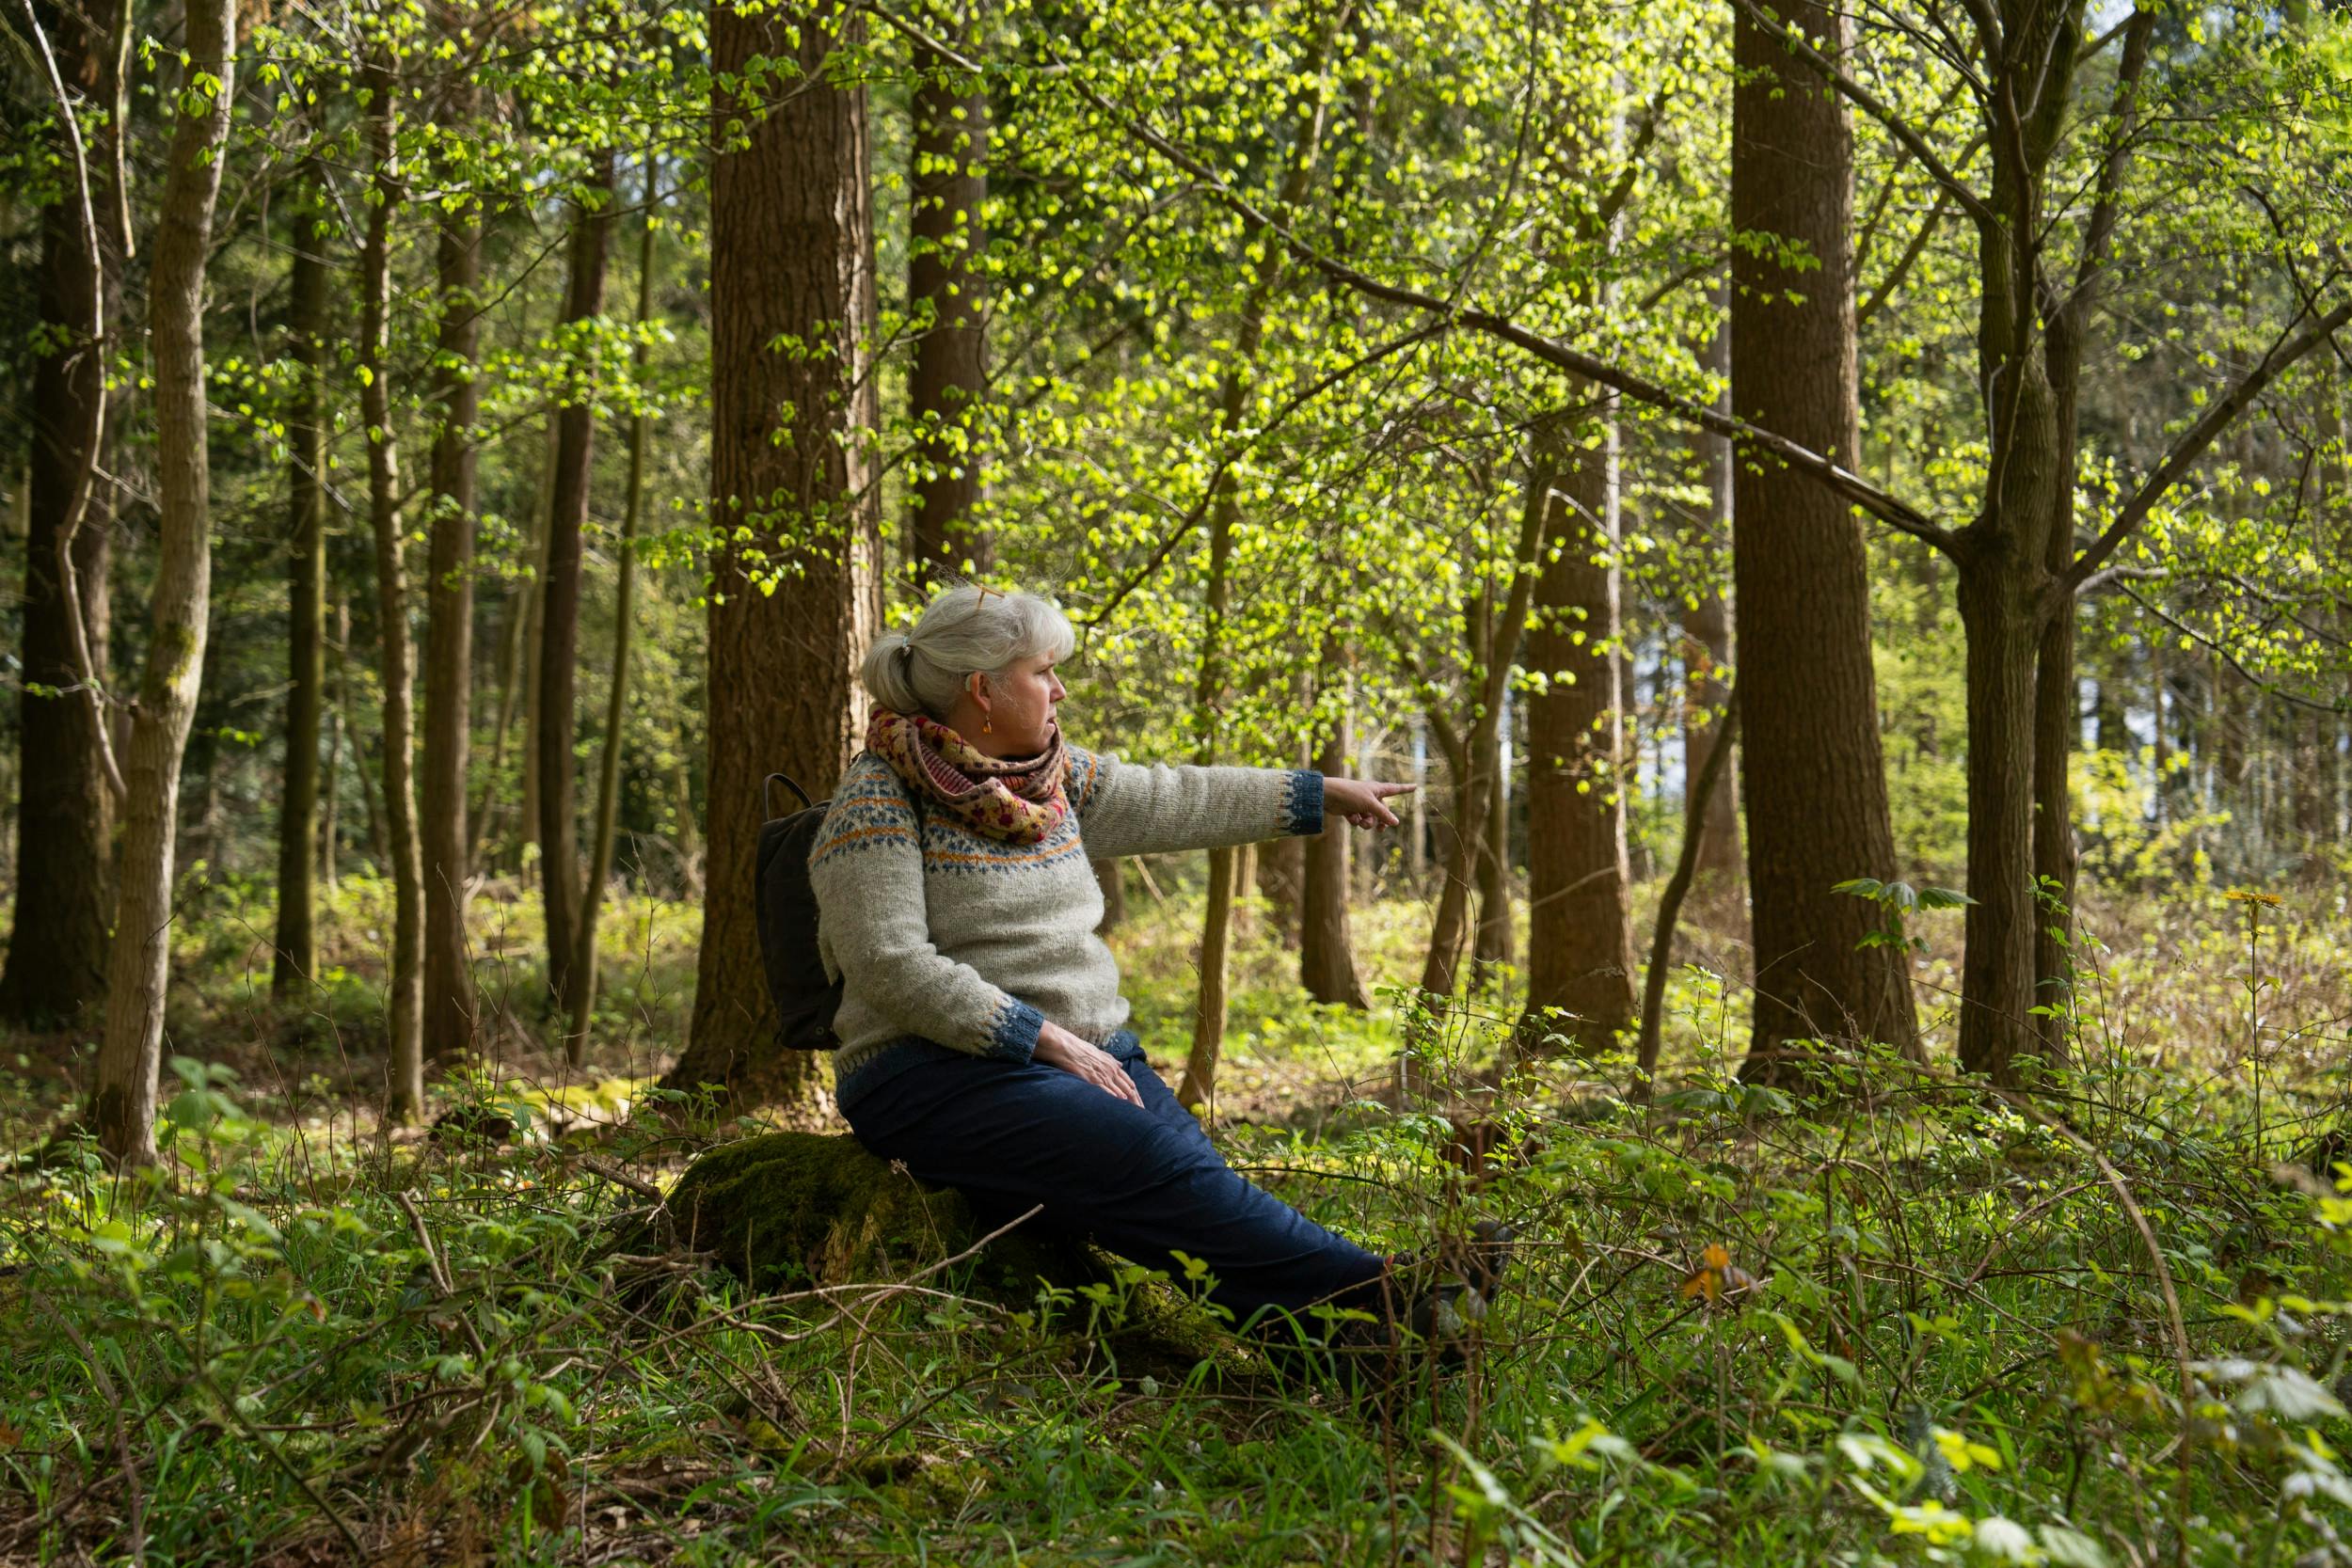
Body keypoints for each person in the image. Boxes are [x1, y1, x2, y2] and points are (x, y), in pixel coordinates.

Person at [810, 582, 1506, 1356]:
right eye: (1044, 670)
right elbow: (887, 962)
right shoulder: (878, 796)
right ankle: (1392, 1292)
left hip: (1080, 1057)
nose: (1060, 687)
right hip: (929, 1072)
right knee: (1156, 1164)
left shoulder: (1051, 778)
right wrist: (1039, 1036)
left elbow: (1176, 796)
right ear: (984, 688)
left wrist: (1320, 794)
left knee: (1191, 1188)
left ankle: (1341, 1355)